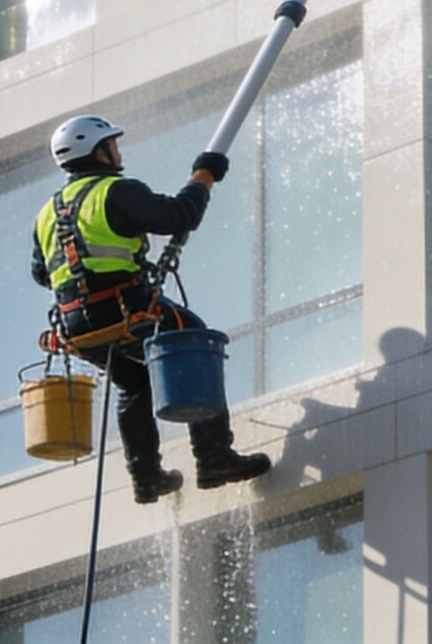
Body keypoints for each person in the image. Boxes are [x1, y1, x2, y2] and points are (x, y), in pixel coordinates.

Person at [31, 114, 272, 503]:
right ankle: (214, 457)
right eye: (112, 144)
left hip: (77, 326)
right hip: (127, 310)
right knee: (194, 340)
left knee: (133, 382)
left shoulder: (47, 213)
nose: (118, 150)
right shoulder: (116, 191)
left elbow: (41, 273)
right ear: (100, 151)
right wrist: (204, 175)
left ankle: (145, 477)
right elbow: (180, 216)